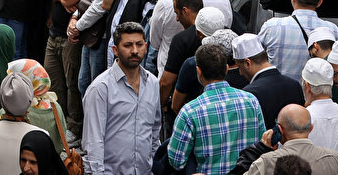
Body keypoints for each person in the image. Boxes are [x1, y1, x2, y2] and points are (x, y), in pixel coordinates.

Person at [167, 42, 264, 175]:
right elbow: (261, 145)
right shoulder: (251, 101)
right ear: (226, 69)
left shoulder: (190, 111)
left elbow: (176, 161)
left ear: (198, 71)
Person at [81, 22, 160, 175]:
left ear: (146, 46)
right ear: (115, 50)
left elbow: (154, 131)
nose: (135, 51)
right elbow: (93, 141)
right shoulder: (100, 88)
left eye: (139, 44)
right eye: (128, 45)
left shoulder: (153, 83)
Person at [258, 0, 338, 83]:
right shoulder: (331, 30)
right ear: (320, 2)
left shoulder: (272, 26)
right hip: (316, 96)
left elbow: (257, 59)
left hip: (279, 95)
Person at [243, 105, 338, 175]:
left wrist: (259, 149)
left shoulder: (265, 162)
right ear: (311, 128)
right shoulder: (335, 159)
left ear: (280, 130)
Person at [234, 33, 306, 130]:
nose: (240, 72)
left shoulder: (249, 94)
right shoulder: (294, 85)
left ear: (247, 63)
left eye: (239, 67)